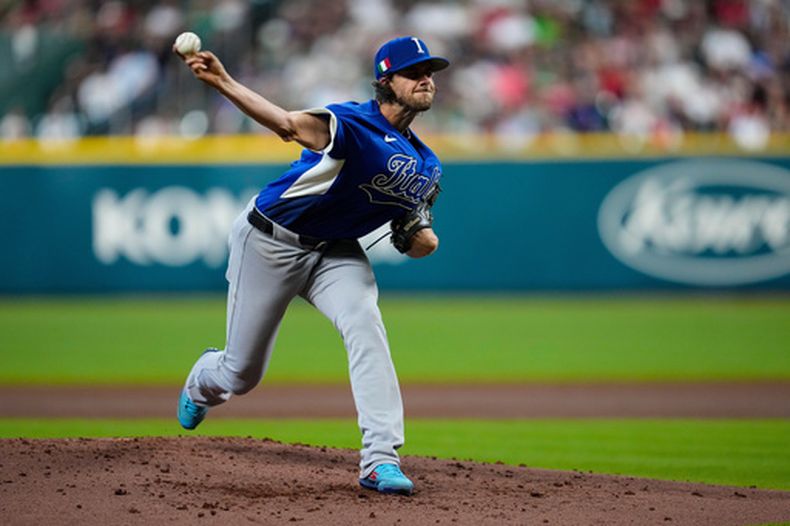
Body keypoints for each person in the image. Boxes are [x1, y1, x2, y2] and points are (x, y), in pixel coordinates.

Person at [174, 35, 449, 496]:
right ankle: (203, 382)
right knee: (241, 374)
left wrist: (418, 236)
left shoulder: (426, 163)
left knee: (365, 324)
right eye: (414, 72)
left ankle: (380, 458)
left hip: (335, 252)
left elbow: (416, 238)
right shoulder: (351, 122)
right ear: (386, 81)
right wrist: (223, 82)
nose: (426, 79)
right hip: (268, 240)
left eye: (430, 73)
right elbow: (285, 123)